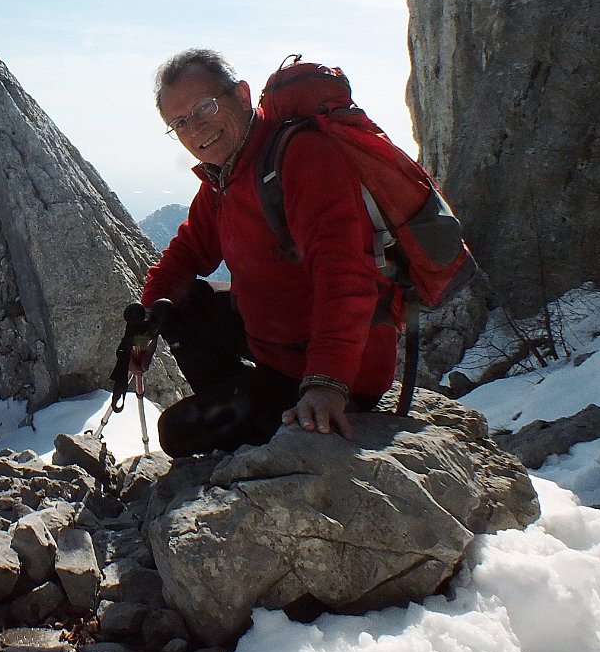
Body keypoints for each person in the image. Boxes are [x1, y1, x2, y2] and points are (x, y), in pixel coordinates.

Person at [140, 49, 404, 456]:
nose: (194, 129)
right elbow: (189, 250)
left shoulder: (301, 158)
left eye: (203, 108)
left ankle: (258, 404)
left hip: (340, 370)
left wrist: (326, 384)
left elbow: (346, 276)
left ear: (242, 96)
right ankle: (244, 397)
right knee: (179, 304)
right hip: (279, 349)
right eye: (179, 122)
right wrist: (143, 324)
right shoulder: (227, 174)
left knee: (176, 432)